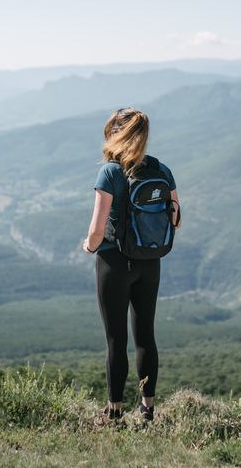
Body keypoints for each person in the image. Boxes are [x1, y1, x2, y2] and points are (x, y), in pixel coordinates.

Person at [82, 107, 180, 422]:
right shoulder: (161, 170)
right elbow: (176, 219)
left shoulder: (109, 172)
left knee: (116, 340)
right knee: (145, 336)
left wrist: (89, 246)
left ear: (114, 133)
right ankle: (148, 408)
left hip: (114, 261)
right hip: (150, 261)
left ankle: (114, 411)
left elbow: (97, 230)